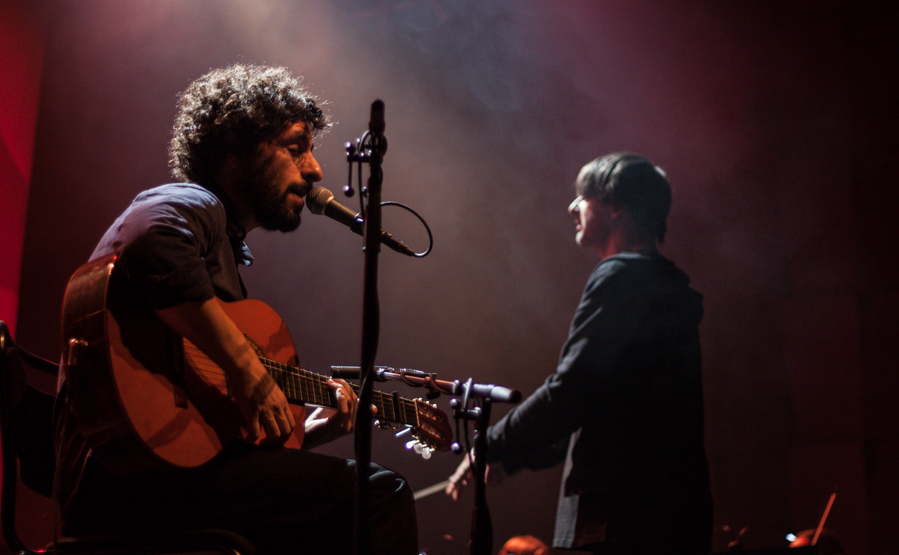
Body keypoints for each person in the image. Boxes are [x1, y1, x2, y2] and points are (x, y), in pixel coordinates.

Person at [53, 64, 418, 555]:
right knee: (378, 496)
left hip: (158, 482)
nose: (315, 170)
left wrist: (301, 433)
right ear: (233, 145)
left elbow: (204, 431)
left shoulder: (221, 246)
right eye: (296, 147)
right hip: (128, 483)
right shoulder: (191, 202)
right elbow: (150, 240)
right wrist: (246, 367)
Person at [447, 153, 713, 555]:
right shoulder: (666, 289)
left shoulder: (621, 276)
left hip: (621, 521)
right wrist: (511, 458)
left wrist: (488, 443)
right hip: (675, 519)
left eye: (583, 197)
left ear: (617, 206)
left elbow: (571, 391)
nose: (572, 207)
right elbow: (603, 406)